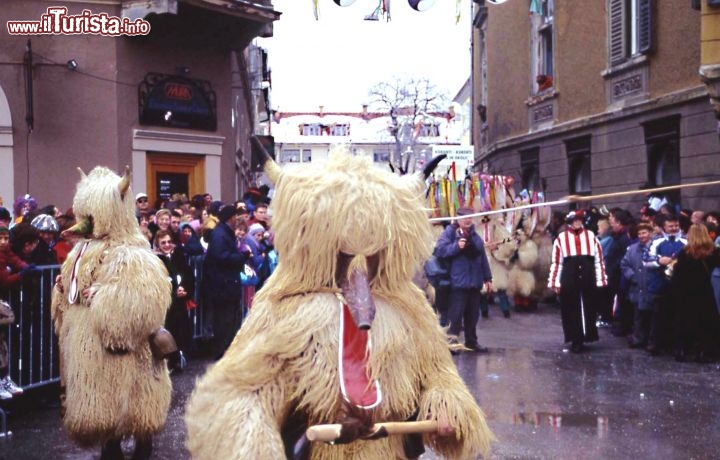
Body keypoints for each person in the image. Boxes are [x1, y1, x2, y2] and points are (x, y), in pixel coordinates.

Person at [434, 207, 493, 353]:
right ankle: (452, 344)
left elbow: (482, 257)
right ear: (458, 218)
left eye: (469, 217)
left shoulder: (474, 235)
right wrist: (456, 247)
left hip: (474, 283)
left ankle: (471, 342)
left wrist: (488, 278)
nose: (467, 220)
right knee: (455, 316)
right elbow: (439, 251)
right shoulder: (449, 233)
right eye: (464, 217)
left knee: (472, 316)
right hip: (458, 283)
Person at [547, 210, 607, 353]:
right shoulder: (561, 238)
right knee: (570, 308)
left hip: (588, 274)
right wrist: (555, 281)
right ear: (569, 222)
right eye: (574, 220)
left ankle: (588, 335)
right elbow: (557, 262)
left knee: (589, 307)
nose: (577, 223)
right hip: (569, 274)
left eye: (579, 220)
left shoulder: (591, 236)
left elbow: (598, 259)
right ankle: (575, 339)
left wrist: (601, 279)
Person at [668, 224, 720, 362]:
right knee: (706, 322)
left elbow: (677, 273)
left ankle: (681, 350)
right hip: (705, 292)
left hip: (685, 292)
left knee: (683, 321)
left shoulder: (685, 253)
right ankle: (703, 352)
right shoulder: (714, 252)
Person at [202, 204, 247, 359]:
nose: (237, 219)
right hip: (222, 286)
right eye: (235, 216)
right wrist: (242, 257)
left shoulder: (223, 233)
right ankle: (221, 351)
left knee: (227, 320)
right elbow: (221, 256)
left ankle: (225, 350)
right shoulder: (220, 235)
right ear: (231, 217)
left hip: (225, 284)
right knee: (223, 320)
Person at [643, 214, 686, 355]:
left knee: (678, 316)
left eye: (676, 226)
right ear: (663, 227)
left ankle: (676, 345)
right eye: (671, 226)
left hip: (679, 285)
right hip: (660, 284)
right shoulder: (656, 241)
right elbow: (646, 260)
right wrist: (659, 260)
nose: (674, 228)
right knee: (658, 316)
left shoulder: (686, 240)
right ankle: (655, 344)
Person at [155, 229, 193, 372]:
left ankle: (178, 359)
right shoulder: (157, 260)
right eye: (163, 243)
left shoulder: (179, 256)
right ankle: (169, 362)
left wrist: (185, 289)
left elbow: (188, 275)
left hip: (180, 301)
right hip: (166, 302)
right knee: (167, 331)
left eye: (169, 242)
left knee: (180, 330)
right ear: (158, 244)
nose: (166, 245)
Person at [622, 223, 655, 349]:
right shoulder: (632, 249)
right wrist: (632, 276)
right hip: (637, 287)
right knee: (638, 315)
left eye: (644, 233)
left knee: (651, 316)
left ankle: (651, 341)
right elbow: (624, 265)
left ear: (650, 233)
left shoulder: (656, 247)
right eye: (640, 233)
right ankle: (638, 338)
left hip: (651, 287)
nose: (642, 236)